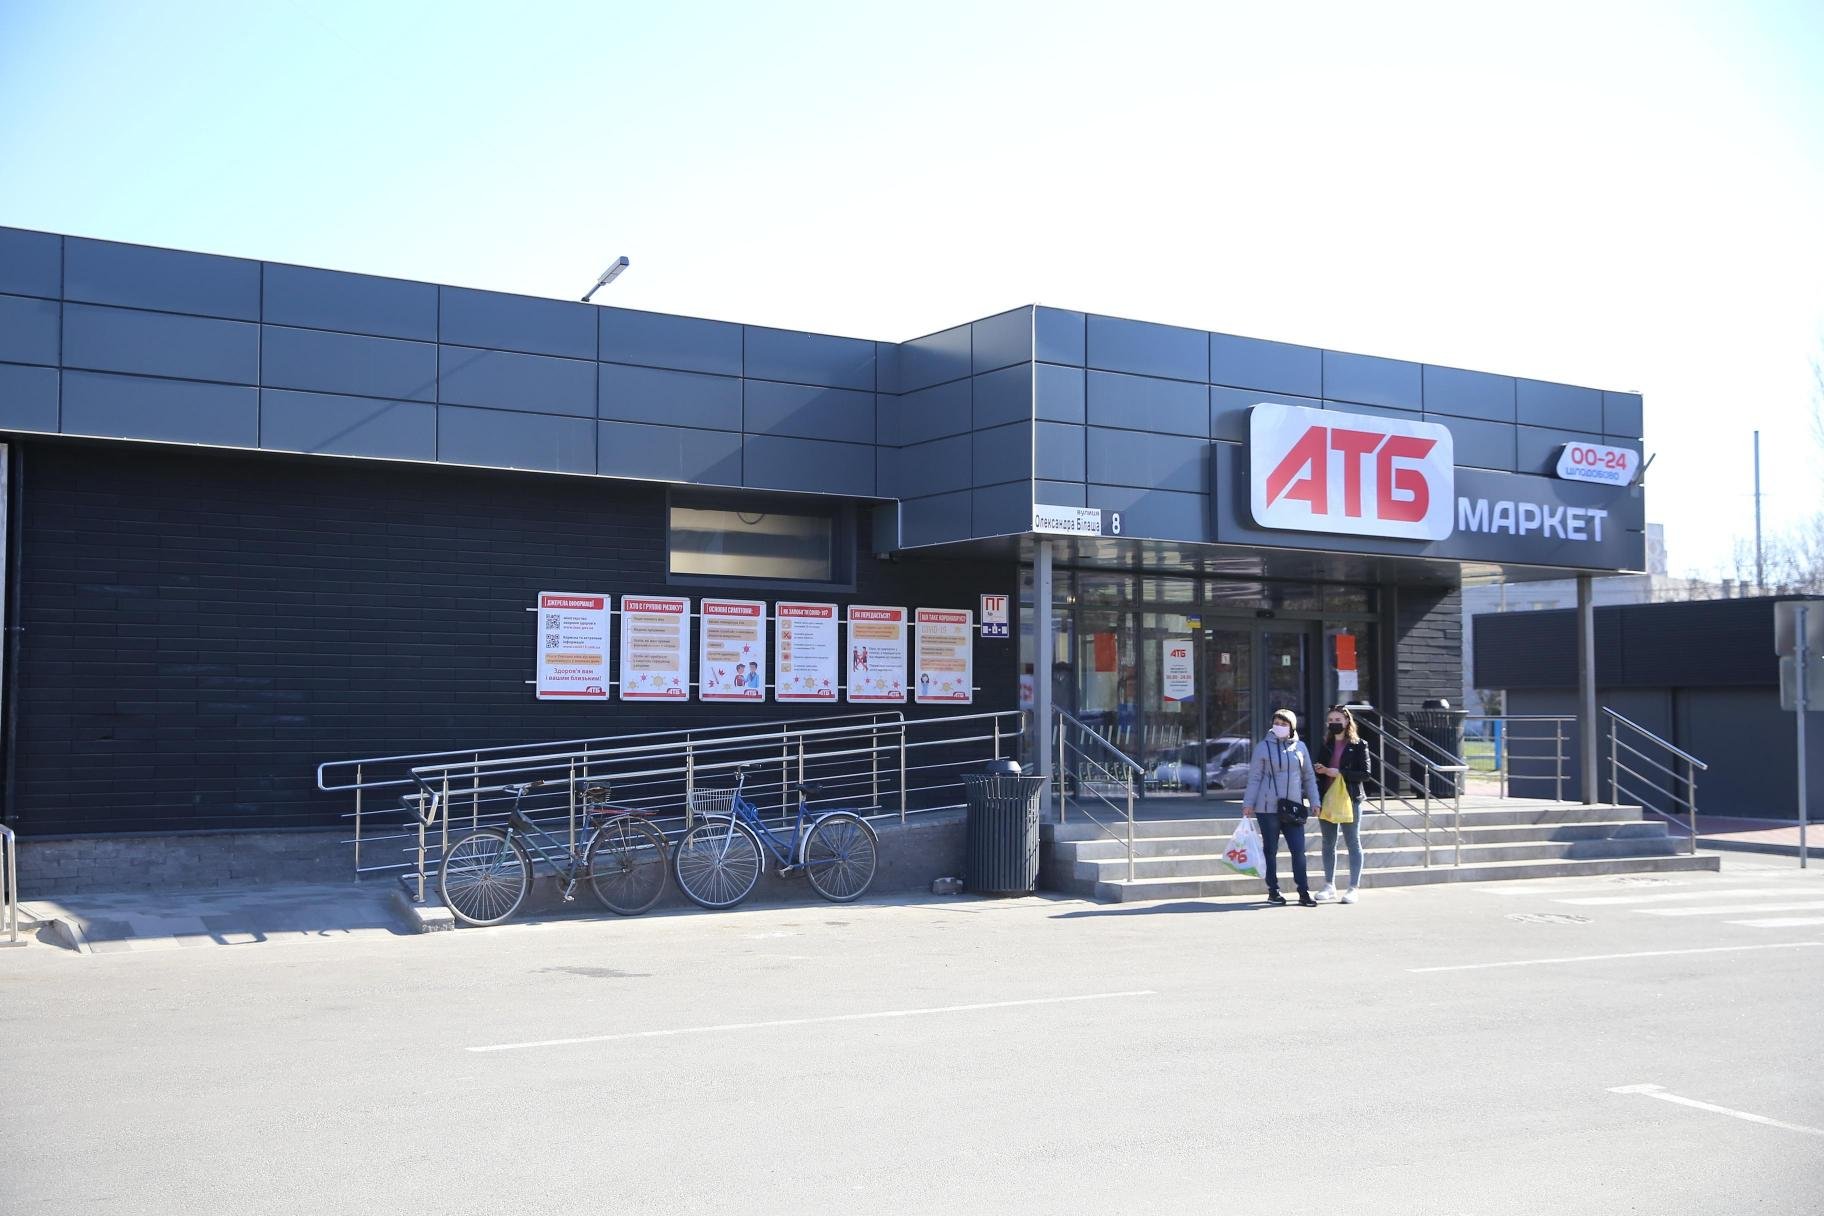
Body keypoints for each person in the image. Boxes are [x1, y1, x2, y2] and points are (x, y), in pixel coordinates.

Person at [1241, 708, 1321, 907]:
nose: (1279, 727)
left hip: (1293, 807)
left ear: (1292, 727)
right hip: (1267, 808)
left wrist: (1315, 802)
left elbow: (1308, 777)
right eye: (1276, 723)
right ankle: (1273, 891)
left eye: (1284, 724)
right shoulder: (1262, 747)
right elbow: (1255, 777)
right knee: (1270, 850)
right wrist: (1248, 804)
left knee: (1298, 850)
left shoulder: (1300, 747)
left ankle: (1303, 891)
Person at [1313, 704, 1374, 904]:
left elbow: (1365, 774)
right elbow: (1319, 775)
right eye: (1331, 720)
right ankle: (1329, 885)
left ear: (1347, 721)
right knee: (1328, 842)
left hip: (1350, 798)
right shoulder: (1326, 744)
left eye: (1338, 720)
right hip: (1328, 798)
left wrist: (1339, 772)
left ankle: (1353, 887)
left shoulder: (1359, 744)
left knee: (1352, 841)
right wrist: (1320, 770)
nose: (1334, 723)